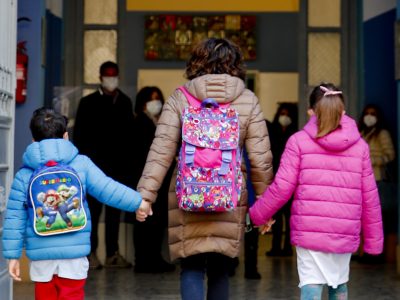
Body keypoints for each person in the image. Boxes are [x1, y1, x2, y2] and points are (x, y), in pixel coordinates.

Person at [136, 38, 273, 300]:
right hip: (229, 196)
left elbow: (160, 151)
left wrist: (145, 195)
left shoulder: (180, 98)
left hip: (189, 195)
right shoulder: (247, 100)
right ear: (235, 64)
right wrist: (266, 208)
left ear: (197, 63)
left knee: (192, 266)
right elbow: (260, 159)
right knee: (221, 268)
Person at [249, 83, 384, 299]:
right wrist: (374, 242)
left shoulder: (298, 142)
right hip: (344, 229)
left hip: (310, 230)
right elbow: (370, 197)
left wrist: (257, 215)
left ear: (311, 111)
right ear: (343, 111)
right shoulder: (360, 147)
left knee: (311, 285)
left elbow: (282, 187)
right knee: (338, 284)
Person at [2, 108, 142, 300]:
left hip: (41, 255)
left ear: (33, 140)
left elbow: (14, 217)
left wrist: (12, 256)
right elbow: (108, 189)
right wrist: (139, 203)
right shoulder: (81, 164)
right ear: (66, 136)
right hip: (74, 254)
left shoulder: (24, 174)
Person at [73, 61, 135, 269]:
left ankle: (112, 254)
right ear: (100, 77)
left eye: (114, 75)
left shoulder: (125, 102)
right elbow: (79, 137)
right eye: (107, 75)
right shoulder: (88, 103)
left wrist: (127, 168)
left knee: (114, 213)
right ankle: (89, 254)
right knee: (91, 212)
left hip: (117, 169)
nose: (111, 79)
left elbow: (129, 139)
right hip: (93, 169)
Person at [132, 86, 175, 273]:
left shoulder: (160, 123)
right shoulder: (139, 123)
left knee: (157, 222)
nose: (155, 103)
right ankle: (143, 260)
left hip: (161, 182)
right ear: (143, 103)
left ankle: (154, 258)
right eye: (151, 99)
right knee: (144, 222)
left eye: (158, 98)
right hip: (144, 180)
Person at [358, 104, 396, 262]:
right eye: (367, 113)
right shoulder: (361, 133)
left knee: (377, 219)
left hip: (378, 180)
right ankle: (368, 252)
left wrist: (370, 161)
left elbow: (390, 155)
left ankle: (377, 254)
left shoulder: (382, 133)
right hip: (363, 181)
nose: (369, 116)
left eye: (373, 113)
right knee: (366, 218)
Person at [266, 103, 298, 257]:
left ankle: (287, 248)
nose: (284, 117)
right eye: (282, 113)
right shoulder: (272, 132)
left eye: (287, 114)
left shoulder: (295, 134)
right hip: (276, 179)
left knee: (289, 216)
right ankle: (275, 247)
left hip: (291, 180)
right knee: (277, 216)